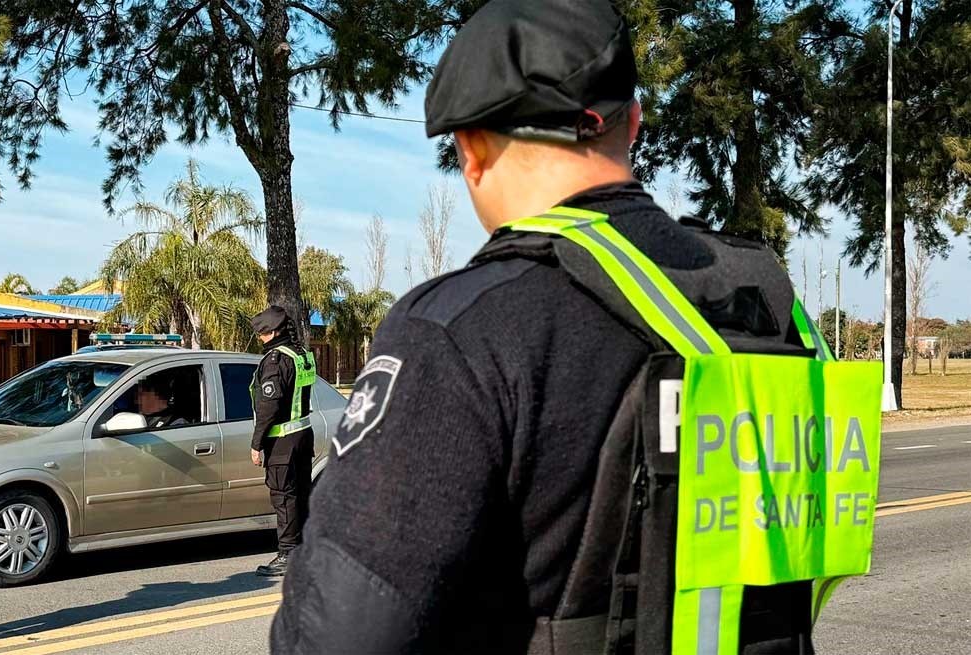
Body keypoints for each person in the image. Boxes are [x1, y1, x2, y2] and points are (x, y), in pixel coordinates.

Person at [271, 1, 880, 653]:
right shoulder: (772, 301)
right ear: (635, 125)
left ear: (471, 150)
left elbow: (336, 636)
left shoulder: (458, 330)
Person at [249, 305, 317, 577]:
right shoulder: (301, 354)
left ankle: (288, 553)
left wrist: (256, 443)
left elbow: (269, 406)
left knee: (284, 496)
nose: (261, 338)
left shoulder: (276, 360)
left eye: (263, 333)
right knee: (300, 494)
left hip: (282, 441)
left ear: (274, 331)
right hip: (302, 436)